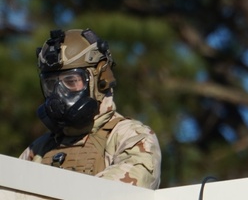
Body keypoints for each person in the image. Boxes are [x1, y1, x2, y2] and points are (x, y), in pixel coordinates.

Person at [19, 28, 162, 189]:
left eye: (71, 81)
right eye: (51, 85)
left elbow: (123, 193)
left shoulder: (131, 136)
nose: (58, 94)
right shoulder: (39, 149)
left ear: (100, 80)